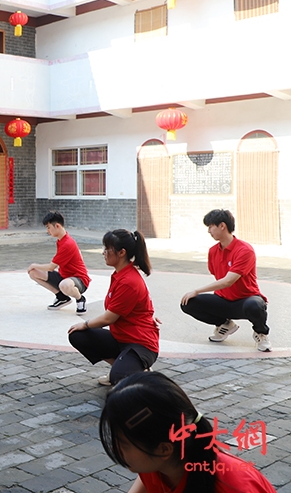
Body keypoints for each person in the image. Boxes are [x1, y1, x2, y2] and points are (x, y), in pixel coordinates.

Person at [100, 371, 276, 493]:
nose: (115, 449)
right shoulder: (156, 465)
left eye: (123, 443)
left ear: (164, 450)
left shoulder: (236, 486)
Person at [68, 229, 159, 386]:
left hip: (140, 344)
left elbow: (109, 318)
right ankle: (125, 366)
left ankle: (135, 371)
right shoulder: (119, 274)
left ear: (121, 252)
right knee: (78, 335)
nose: (103, 253)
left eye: (107, 249)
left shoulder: (129, 280)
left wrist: (85, 323)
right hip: (121, 338)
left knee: (120, 381)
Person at [180, 209, 271, 352]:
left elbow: (228, 281)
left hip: (245, 300)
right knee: (188, 303)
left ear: (222, 226)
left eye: (210, 227)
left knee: (255, 305)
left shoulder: (245, 250)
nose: (209, 231)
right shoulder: (212, 251)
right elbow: (217, 276)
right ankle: (225, 324)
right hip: (223, 300)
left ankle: (261, 333)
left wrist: (197, 290)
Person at [27, 210, 91, 315]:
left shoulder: (68, 243)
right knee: (34, 272)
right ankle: (61, 298)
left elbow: (51, 267)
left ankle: (80, 299)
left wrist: (33, 265)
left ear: (57, 226)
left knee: (64, 285)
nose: (48, 230)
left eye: (48, 227)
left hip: (79, 280)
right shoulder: (61, 240)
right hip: (64, 277)